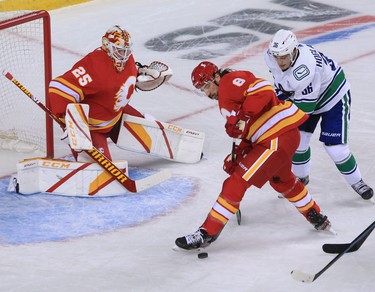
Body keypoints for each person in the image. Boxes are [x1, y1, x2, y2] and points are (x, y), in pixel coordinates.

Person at [175, 61, 333, 251]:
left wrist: (243, 118)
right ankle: (315, 215)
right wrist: (240, 153)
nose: (207, 93)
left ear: (216, 76)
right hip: (280, 136)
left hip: (276, 136)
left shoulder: (229, 81)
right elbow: (251, 128)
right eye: (202, 90)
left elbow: (265, 90)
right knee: (281, 181)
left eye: (207, 86)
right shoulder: (227, 92)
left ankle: (206, 232)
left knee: (236, 182)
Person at [264, 29, 373, 201]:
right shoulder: (271, 57)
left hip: (332, 97)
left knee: (336, 149)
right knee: (297, 142)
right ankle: (300, 179)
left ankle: (357, 182)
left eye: (283, 56)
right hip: (304, 96)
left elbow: (304, 109)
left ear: (293, 51)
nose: (279, 61)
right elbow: (283, 85)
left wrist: (274, 118)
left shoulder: (305, 69)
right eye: (277, 56)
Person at [49, 25, 168, 161]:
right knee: (102, 171)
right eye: (119, 51)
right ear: (107, 46)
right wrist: (71, 126)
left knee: (153, 134)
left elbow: (116, 80)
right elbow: (57, 88)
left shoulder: (127, 58)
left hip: (117, 116)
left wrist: (140, 73)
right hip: (92, 129)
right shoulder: (93, 66)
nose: (124, 57)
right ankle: (86, 146)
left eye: (126, 51)